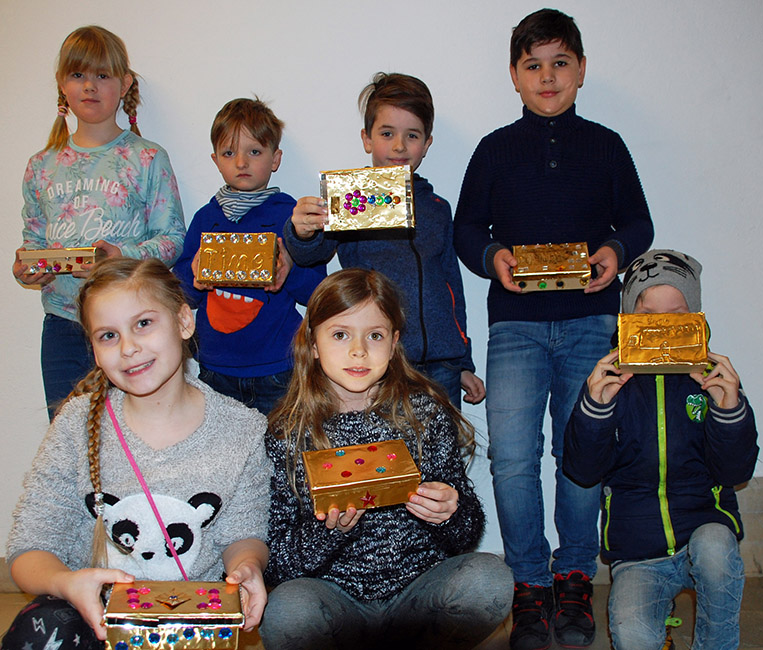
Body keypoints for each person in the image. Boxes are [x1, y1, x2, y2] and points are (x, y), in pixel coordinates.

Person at [452, 9, 654, 649]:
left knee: (581, 456)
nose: (547, 76)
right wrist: (494, 260)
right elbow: (465, 233)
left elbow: (639, 223)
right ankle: (529, 585)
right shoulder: (492, 148)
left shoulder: (607, 145)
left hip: (594, 322)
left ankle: (573, 578)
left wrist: (616, 253)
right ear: (514, 75)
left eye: (560, 63)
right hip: (515, 327)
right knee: (512, 459)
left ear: (582, 70)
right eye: (533, 65)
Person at [3, 258, 271, 649]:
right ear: (93, 348)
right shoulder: (77, 422)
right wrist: (67, 583)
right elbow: (30, 546)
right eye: (108, 336)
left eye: (144, 324)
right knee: (40, 631)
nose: (128, 348)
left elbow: (244, 534)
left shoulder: (242, 428)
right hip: (98, 620)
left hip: (191, 625)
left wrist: (247, 567)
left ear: (183, 322)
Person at [260, 268, 512, 650]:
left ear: (394, 344)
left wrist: (451, 511)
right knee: (287, 610)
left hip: (418, 596)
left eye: (374, 335)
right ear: (313, 343)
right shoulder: (287, 433)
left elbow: (467, 534)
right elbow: (277, 563)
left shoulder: (423, 415)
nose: (359, 350)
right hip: (336, 602)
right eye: (340, 334)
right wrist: (329, 532)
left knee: (489, 579)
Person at [564, 249, 759, 650]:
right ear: (627, 319)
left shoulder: (709, 381)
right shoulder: (610, 379)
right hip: (637, 552)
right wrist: (595, 409)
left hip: (704, 535)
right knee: (633, 637)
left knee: (717, 545)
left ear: (696, 318)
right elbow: (582, 471)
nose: (662, 326)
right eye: (648, 314)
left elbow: (735, 471)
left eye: (677, 313)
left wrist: (730, 409)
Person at [13, 25, 185, 421]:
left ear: (124, 84)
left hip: (130, 324)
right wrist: (27, 268)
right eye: (78, 75)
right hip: (64, 325)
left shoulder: (146, 158)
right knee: (68, 438)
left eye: (102, 76)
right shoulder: (42, 165)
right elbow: (33, 239)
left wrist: (120, 256)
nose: (89, 87)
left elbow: (173, 238)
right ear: (62, 84)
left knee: (135, 434)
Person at [285, 72, 484, 409]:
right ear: (366, 139)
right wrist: (302, 231)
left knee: (444, 457)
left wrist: (463, 360)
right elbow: (311, 254)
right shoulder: (350, 199)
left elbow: (452, 285)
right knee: (388, 456)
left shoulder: (437, 208)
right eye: (387, 133)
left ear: (427, 143)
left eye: (412, 135)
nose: (399, 146)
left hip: (441, 363)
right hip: (379, 363)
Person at [173, 98, 325, 414]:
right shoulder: (206, 218)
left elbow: (316, 293)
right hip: (215, 367)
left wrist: (289, 271)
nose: (241, 162)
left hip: (279, 366)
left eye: (254, 152)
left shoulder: (292, 216)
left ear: (275, 159)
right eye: (230, 153)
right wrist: (195, 276)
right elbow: (181, 295)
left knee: (284, 453)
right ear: (216, 160)